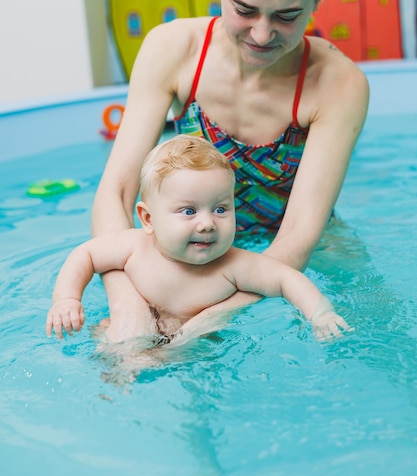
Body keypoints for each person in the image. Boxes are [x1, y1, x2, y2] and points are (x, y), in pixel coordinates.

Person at [91, 0, 369, 342]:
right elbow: (117, 194)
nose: (262, 34)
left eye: (287, 16)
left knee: (366, 335)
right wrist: (131, 300)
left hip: (299, 254)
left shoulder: (338, 85)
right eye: (244, 10)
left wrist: (202, 318)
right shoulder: (173, 50)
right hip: (185, 241)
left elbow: (297, 237)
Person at [47, 136, 351, 343]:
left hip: (197, 348)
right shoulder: (134, 247)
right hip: (134, 329)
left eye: (221, 208)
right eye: (189, 211)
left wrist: (320, 313)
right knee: (112, 345)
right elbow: (84, 255)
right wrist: (66, 299)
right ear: (148, 219)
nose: (207, 224)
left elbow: (287, 279)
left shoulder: (233, 266)